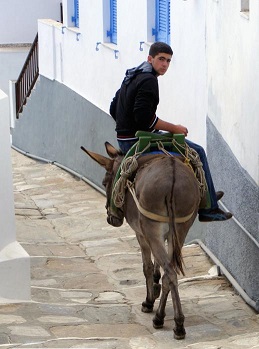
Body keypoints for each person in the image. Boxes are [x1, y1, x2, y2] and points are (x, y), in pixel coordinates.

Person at [110, 41, 232, 222]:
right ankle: (209, 208)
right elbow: (144, 118)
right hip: (137, 140)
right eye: (161, 59)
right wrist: (175, 128)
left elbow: (114, 108)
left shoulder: (132, 75)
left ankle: (209, 193)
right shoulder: (149, 81)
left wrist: (127, 127)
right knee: (197, 151)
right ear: (150, 59)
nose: (165, 65)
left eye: (168, 61)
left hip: (125, 139)